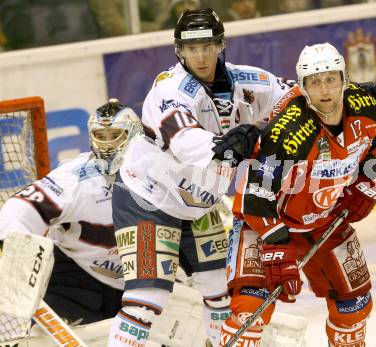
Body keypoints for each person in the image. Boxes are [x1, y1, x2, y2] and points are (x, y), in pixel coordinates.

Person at [107, 8, 296, 347]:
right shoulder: (169, 90)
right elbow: (184, 141)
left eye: (207, 45)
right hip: (146, 200)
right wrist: (228, 145)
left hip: (199, 206)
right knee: (146, 300)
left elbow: (296, 99)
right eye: (192, 49)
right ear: (179, 51)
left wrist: (346, 101)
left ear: (220, 45)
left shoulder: (248, 81)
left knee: (220, 291)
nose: (201, 55)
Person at [219, 42, 376, 346]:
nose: (324, 90)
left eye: (330, 79)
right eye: (314, 82)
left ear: (344, 79)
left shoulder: (367, 111)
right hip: (267, 223)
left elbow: (366, 157)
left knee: (355, 307)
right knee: (249, 314)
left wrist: (363, 184)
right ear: (302, 87)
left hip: (323, 221)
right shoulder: (288, 131)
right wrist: (277, 245)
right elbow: (255, 197)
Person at [0, 99, 143, 325]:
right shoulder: (73, 178)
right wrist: (13, 245)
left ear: (134, 135)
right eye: (100, 136)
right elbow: (21, 208)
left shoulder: (159, 173)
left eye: (116, 134)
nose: (107, 145)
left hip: (141, 283)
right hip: (76, 281)